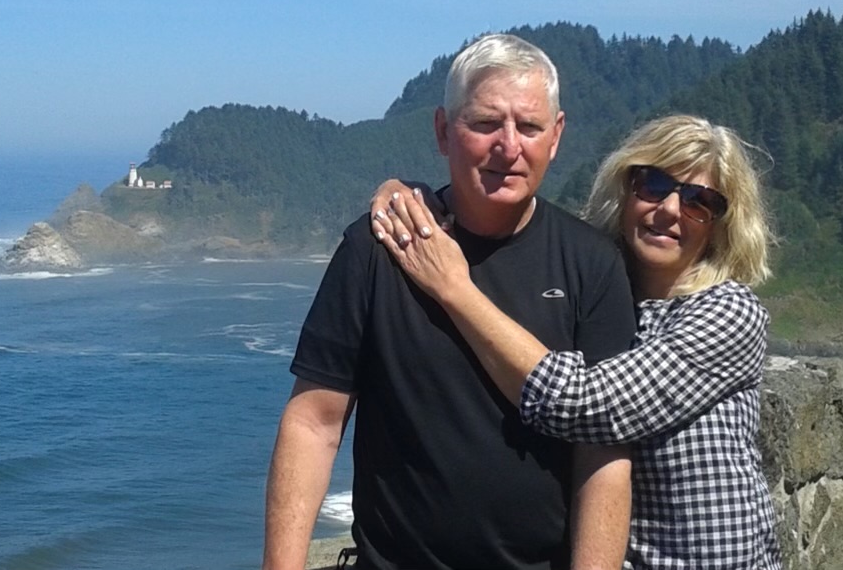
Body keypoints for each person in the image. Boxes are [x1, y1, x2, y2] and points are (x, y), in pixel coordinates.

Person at [263, 34, 638, 570]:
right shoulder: (378, 249)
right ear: (444, 131)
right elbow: (314, 423)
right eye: (485, 123)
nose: (508, 147)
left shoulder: (593, 265)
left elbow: (603, 457)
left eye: (529, 127)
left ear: (555, 138)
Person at [370, 114, 783, 569]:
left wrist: (454, 288)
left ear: (720, 223)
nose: (668, 210)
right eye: (654, 184)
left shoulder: (728, 314)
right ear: (625, 187)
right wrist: (406, 195)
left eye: (698, 200)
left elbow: (587, 405)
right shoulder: (597, 282)